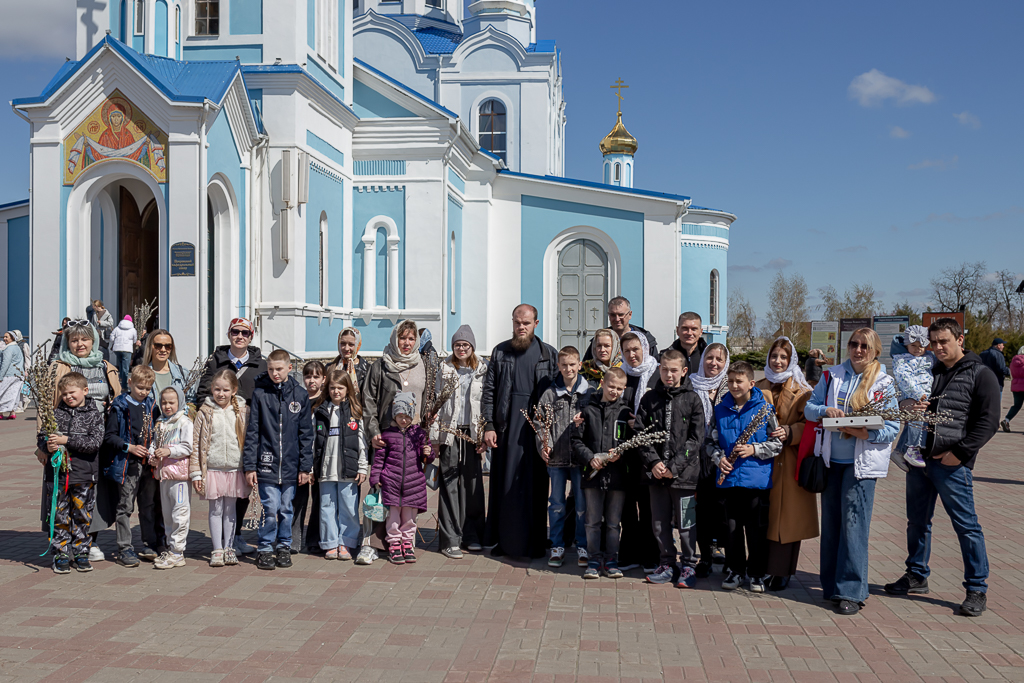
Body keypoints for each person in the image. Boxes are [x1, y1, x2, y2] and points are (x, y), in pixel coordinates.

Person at [884, 318, 1000, 618]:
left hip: (951, 465)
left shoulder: (980, 374)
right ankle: (916, 574)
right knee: (917, 522)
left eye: (943, 341)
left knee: (966, 526)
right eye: (933, 342)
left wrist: (959, 454)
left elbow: (988, 422)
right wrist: (906, 405)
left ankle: (977, 588)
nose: (936, 347)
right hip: (918, 460)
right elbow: (905, 402)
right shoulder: (928, 369)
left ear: (960, 340)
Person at [805, 328, 899, 616]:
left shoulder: (884, 382)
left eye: (864, 346)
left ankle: (851, 592)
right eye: (854, 344)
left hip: (862, 465)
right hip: (832, 461)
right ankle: (831, 586)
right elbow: (809, 409)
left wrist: (863, 432)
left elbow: (892, 428)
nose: (858, 350)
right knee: (832, 525)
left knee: (854, 526)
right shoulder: (832, 375)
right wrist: (825, 411)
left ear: (875, 351)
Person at [481, 304, 558, 559]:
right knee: (505, 483)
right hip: (507, 426)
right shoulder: (500, 351)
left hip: (536, 429)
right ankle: (505, 542)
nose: (521, 327)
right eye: (517, 322)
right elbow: (489, 391)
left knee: (535, 484)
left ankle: (535, 543)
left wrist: (550, 433)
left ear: (536, 323)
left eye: (526, 323)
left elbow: (556, 395)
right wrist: (489, 425)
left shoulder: (549, 354)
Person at [194, 317, 267, 557]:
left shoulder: (261, 364)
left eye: (245, 333)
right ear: (229, 334)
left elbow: (265, 395)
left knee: (241, 486)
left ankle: (235, 537)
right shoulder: (215, 361)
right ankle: (222, 545)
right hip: (219, 427)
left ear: (251, 336)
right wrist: (210, 414)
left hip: (247, 429)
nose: (240, 336)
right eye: (235, 332)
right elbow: (203, 391)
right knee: (220, 499)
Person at [357, 320, 428, 565]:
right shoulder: (381, 365)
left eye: (411, 338)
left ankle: (404, 542)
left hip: (413, 439)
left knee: (408, 495)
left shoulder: (421, 364)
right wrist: (374, 430)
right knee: (381, 492)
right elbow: (368, 399)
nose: (406, 343)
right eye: (402, 338)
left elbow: (427, 401)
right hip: (386, 438)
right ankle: (372, 544)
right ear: (394, 339)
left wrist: (426, 436)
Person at [49, 320, 121, 562]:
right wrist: (44, 443)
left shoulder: (106, 366)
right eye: (74, 340)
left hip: (99, 439)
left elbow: (117, 397)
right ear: (67, 343)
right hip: (66, 439)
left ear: (94, 341)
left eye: (85, 339)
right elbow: (46, 407)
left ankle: (89, 541)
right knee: (65, 493)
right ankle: (63, 543)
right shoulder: (60, 366)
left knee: (94, 493)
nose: (80, 344)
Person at [709, 361, 782, 593]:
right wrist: (718, 458)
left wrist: (754, 449)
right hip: (729, 479)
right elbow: (710, 442)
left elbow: (777, 444)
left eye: (739, 381)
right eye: (730, 381)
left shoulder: (765, 410)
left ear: (751, 383)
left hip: (756, 480)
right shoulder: (720, 410)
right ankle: (735, 570)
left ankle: (757, 574)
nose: (734, 385)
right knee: (731, 529)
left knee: (756, 529)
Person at [636, 349, 705, 588]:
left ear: (684, 371)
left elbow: (696, 439)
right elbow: (640, 434)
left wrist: (674, 467)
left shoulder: (693, 399)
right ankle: (667, 563)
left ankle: (688, 565)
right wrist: (654, 462)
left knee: (686, 523)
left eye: (674, 370)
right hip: (656, 476)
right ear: (659, 369)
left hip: (684, 477)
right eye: (664, 369)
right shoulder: (649, 399)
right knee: (659, 523)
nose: (668, 374)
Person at [243, 349, 315, 571]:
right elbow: (253, 431)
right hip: (267, 463)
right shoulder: (260, 394)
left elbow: (306, 434)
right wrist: (250, 466)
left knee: (286, 509)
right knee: (270, 507)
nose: (275, 373)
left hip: (291, 466)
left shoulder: (300, 395)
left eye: (279, 369)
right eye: (271, 369)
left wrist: (305, 467)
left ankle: (284, 546)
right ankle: (265, 548)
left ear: (289, 368)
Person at [756, 337, 816, 592]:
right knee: (763, 517)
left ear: (792, 361)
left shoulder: (803, 390)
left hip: (789, 460)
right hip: (761, 460)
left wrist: (790, 431)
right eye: (774, 356)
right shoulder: (758, 386)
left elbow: (811, 424)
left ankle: (782, 571)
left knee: (787, 520)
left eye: (783, 357)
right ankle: (761, 566)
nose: (777, 361)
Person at [429, 325, 488, 559]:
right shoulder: (444, 369)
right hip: (450, 433)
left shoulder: (482, 369)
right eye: (457, 345)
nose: (461, 348)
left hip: (472, 434)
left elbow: (486, 404)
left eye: (465, 345)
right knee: (449, 485)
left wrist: (483, 435)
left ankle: (472, 535)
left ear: (472, 347)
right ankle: (450, 539)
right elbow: (436, 405)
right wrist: (435, 438)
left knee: (473, 486)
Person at [38, 372, 104, 573]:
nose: (68, 397)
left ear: (85, 390)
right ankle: (61, 554)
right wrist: (47, 446)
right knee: (59, 516)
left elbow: (94, 443)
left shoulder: (94, 415)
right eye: (64, 393)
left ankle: (82, 552)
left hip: (84, 475)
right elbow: (42, 437)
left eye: (72, 392)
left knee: (82, 516)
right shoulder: (55, 414)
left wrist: (66, 440)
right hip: (57, 476)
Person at [572, 367, 633, 580]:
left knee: (614, 523)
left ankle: (611, 560)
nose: (614, 391)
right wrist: (590, 458)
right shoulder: (588, 411)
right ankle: (593, 561)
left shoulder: (626, 413)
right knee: (592, 521)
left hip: (618, 477)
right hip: (593, 476)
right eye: (611, 386)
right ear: (602, 384)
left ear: (624, 389)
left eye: (619, 388)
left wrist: (621, 454)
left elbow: (633, 444)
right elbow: (576, 441)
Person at [535, 345, 591, 568]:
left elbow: (595, 420)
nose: (568, 369)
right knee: (557, 503)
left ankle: (582, 544)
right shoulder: (550, 393)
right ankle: (557, 545)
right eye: (564, 365)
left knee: (581, 505)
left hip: (580, 459)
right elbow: (540, 421)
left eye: (572, 365)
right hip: (557, 458)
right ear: (558, 366)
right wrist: (544, 445)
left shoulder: (589, 392)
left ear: (579, 365)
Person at [190, 368, 251, 568]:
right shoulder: (205, 412)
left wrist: (250, 467)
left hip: (234, 468)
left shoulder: (243, 411)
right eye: (217, 389)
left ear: (234, 390)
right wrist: (196, 473)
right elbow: (196, 443)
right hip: (213, 469)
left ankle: (229, 547)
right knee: (215, 509)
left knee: (230, 510)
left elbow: (249, 441)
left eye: (225, 390)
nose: (221, 394)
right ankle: (217, 549)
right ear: (211, 389)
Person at [369, 392, 435, 565]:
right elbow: (379, 459)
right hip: (392, 483)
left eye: (406, 416)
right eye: (400, 416)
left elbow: (426, 458)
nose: (403, 420)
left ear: (412, 415)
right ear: (394, 415)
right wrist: (375, 477)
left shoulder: (419, 434)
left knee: (409, 519)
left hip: (413, 485)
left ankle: (407, 543)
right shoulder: (387, 435)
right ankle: (394, 544)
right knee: (392, 518)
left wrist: (428, 453)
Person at [104, 365, 160, 567]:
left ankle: (149, 544)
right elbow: (110, 437)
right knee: (125, 506)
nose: (143, 392)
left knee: (148, 505)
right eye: (140, 387)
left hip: (148, 464)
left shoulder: (152, 405)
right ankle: (124, 548)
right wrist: (130, 447)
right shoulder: (119, 406)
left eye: (148, 388)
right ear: (130, 383)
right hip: (128, 464)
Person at [617, 331, 662, 573]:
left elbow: (663, 410)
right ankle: (629, 553)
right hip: (625, 452)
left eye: (635, 349)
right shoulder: (621, 374)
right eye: (627, 351)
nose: (632, 354)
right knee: (627, 506)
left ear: (644, 348)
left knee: (648, 506)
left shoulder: (657, 374)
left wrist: (642, 424)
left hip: (649, 451)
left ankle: (650, 554)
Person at [313, 371, 367, 561]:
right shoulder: (320, 411)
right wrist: (311, 468)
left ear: (347, 389)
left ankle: (346, 542)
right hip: (326, 469)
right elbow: (313, 441)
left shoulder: (354, 412)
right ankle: (330, 543)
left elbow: (362, 442)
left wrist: (362, 467)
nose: (336, 391)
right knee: (326, 507)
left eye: (340, 388)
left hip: (348, 469)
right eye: (332, 388)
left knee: (348, 508)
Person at [690, 343, 730, 578]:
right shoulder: (692, 384)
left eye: (719, 359)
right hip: (698, 457)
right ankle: (704, 557)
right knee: (702, 510)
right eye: (709, 358)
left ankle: (726, 556)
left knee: (724, 510)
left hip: (724, 457)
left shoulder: (731, 386)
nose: (713, 363)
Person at [148, 386, 194, 570]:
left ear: (179, 402)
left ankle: (178, 551)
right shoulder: (160, 422)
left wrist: (169, 451)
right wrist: (153, 455)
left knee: (179, 514)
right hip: (164, 475)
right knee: (167, 515)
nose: (167, 406)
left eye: (171, 402)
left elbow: (188, 446)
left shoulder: (184, 422)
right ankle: (171, 549)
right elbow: (154, 444)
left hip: (179, 476)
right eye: (164, 402)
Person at [292, 361, 326, 554]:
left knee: (319, 500)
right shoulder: (298, 399)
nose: (312, 380)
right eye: (308, 376)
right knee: (298, 500)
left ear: (323, 379)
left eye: (316, 376)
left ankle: (314, 539)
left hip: (320, 458)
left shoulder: (325, 401)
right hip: (300, 457)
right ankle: (293, 540)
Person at [891, 326, 935, 469]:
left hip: (924, 395)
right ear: (906, 345)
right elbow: (904, 378)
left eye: (921, 346)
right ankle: (913, 448)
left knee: (915, 422)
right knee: (917, 418)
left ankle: (899, 451)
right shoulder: (902, 360)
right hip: (913, 395)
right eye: (913, 346)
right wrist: (917, 394)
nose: (918, 349)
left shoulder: (929, 357)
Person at [581, 297, 658, 361]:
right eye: (613, 315)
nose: (617, 319)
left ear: (630, 314)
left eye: (621, 315)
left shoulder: (645, 339)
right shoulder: (600, 339)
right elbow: (586, 367)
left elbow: (655, 366)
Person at [141, 330, 186, 401]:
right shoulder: (141, 375)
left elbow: (191, 401)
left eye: (168, 346)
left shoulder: (182, 373)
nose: (163, 350)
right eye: (158, 346)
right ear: (150, 347)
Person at [326, 327, 369, 392]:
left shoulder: (367, 369)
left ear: (357, 345)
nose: (346, 348)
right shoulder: (329, 368)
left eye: (351, 344)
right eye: (343, 343)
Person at [667, 312, 707, 376]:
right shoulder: (665, 357)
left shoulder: (709, 358)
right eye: (685, 328)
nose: (689, 333)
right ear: (677, 330)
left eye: (694, 329)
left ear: (700, 332)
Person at [0, 331, 26, 420]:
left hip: (9, 374)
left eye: (6, 337)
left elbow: (5, 363)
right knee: (13, 394)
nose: (4, 339)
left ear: (13, 338)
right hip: (18, 375)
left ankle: (1, 412)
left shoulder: (9, 349)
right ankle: (12, 412)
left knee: (2, 392)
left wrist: (1, 376)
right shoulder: (17, 348)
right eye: (4, 337)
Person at [109, 315, 138, 391]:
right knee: (125, 368)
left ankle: (119, 382)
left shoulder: (117, 328)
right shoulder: (133, 330)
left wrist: (116, 342)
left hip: (117, 349)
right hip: (127, 349)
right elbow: (135, 340)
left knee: (121, 365)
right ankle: (124, 386)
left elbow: (111, 338)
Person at [1001, 346, 1024, 433]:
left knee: (1017, 405)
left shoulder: (1014, 361)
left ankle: (1007, 420)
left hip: (1016, 386)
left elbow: (1011, 373)